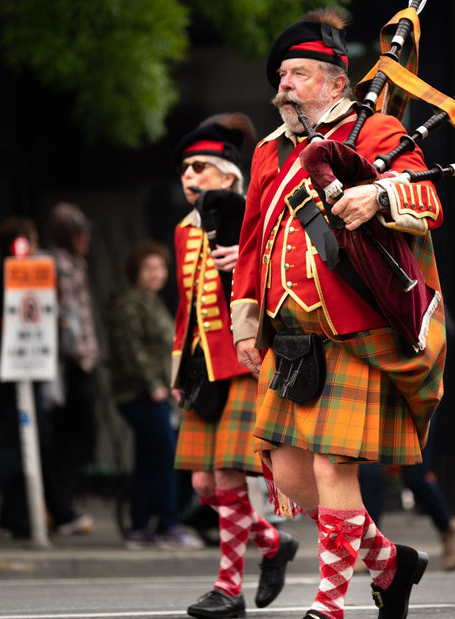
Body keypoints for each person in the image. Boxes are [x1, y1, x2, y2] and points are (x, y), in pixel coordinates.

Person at [231, 9, 448, 619]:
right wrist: (248, 324)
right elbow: (252, 243)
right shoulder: (271, 152)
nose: (285, 85)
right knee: (292, 477)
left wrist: (378, 194)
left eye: (298, 73)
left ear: (335, 82)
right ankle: (392, 566)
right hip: (293, 337)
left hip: (356, 331)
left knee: (333, 468)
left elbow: (427, 199)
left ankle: (329, 606)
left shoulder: (374, 133)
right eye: (281, 74)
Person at [169, 115, 298, 618]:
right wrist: (178, 373)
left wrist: (248, 264)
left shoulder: (253, 218)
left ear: (228, 175)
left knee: (226, 477)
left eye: (199, 166)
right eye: (184, 167)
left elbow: (278, 283)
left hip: (242, 364)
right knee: (203, 485)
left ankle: (228, 590)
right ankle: (273, 543)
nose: (188, 175)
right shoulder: (184, 228)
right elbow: (185, 308)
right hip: (202, 369)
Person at [0, 216, 92, 541]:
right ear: (22, 244)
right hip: (21, 372)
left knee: (26, 443)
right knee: (27, 444)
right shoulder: (21, 280)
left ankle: (19, 519)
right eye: (33, 241)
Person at [108, 239, 203, 550]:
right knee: (167, 458)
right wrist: (155, 387)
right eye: (149, 268)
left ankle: (139, 527)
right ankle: (168, 524)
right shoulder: (129, 302)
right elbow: (131, 350)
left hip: (159, 394)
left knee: (149, 461)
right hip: (142, 394)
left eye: (160, 267)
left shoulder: (152, 301)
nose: (156, 274)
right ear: (136, 271)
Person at [43, 202, 100, 525]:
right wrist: (77, 354)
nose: (86, 239)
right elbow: (64, 316)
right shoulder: (57, 265)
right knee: (73, 436)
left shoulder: (76, 263)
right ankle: (61, 504)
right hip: (70, 362)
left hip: (81, 359)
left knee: (77, 437)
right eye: (80, 233)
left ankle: (63, 502)